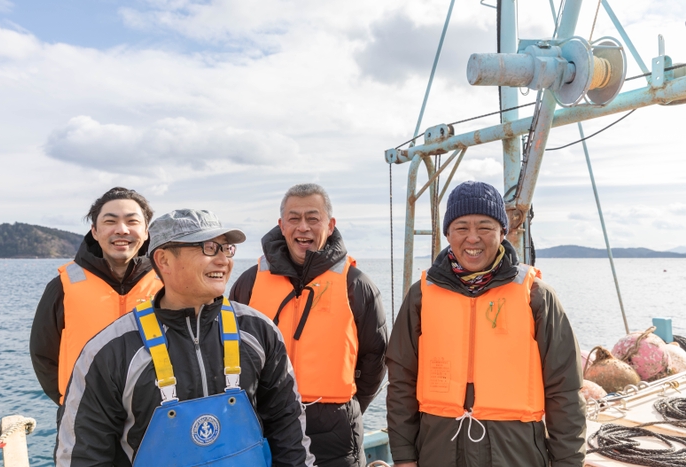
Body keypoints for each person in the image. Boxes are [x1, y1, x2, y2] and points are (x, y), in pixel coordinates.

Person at [55, 209, 316, 466]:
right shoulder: (111, 350)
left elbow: (289, 434)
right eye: (209, 248)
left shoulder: (258, 331)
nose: (224, 260)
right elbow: (84, 457)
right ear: (164, 260)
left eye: (226, 248)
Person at [386, 181, 586, 467]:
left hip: (515, 451)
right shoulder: (421, 295)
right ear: (448, 234)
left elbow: (564, 389)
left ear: (502, 232)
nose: (473, 238)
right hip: (438, 448)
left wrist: (568, 462)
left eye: (485, 227)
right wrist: (404, 456)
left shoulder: (536, 295)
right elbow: (401, 381)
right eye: (462, 227)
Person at [230, 183, 388, 467]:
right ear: (281, 225)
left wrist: (345, 408)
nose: (303, 227)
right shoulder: (249, 283)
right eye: (294, 218)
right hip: (261, 420)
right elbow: (228, 352)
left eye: (313, 218)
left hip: (334, 430)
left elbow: (375, 358)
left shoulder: (356, 284)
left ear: (330, 225)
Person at [30, 187, 162, 405]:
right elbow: (42, 354)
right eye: (110, 221)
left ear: (147, 230)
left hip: (155, 413)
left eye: (132, 221)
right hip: (84, 415)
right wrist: (68, 401)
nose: (121, 230)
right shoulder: (63, 285)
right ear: (95, 231)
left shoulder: (168, 283)